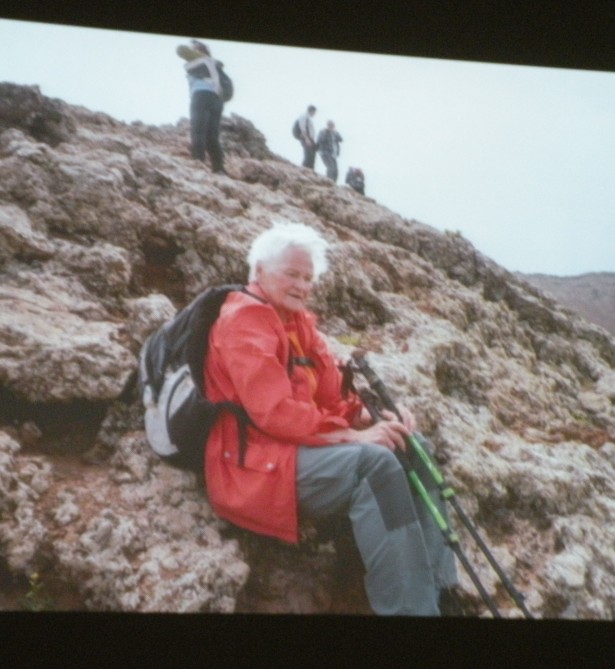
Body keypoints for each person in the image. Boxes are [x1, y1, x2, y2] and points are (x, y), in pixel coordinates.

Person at [202, 222, 458, 615]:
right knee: (374, 464)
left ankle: (438, 590)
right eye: (292, 273)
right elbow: (274, 413)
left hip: (292, 454)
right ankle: (412, 609)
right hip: (254, 466)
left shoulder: (298, 323)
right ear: (258, 271)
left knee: (412, 448)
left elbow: (335, 396)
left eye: (308, 277)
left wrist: (377, 416)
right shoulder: (244, 320)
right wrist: (354, 438)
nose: (302, 285)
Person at [177, 39, 227, 174]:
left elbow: (180, 49)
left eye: (195, 48)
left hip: (201, 95)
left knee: (198, 129)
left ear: (200, 51)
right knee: (212, 135)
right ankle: (219, 168)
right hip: (217, 100)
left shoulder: (201, 60)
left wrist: (194, 49)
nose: (192, 50)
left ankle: (197, 161)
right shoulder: (215, 65)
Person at [297, 105, 318, 170]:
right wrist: (307, 139)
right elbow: (302, 128)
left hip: (310, 138)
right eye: (314, 112)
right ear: (311, 111)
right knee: (308, 155)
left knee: (312, 156)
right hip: (306, 138)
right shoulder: (304, 116)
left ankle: (310, 171)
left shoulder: (308, 118)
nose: (315, 114)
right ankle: (304, 170)